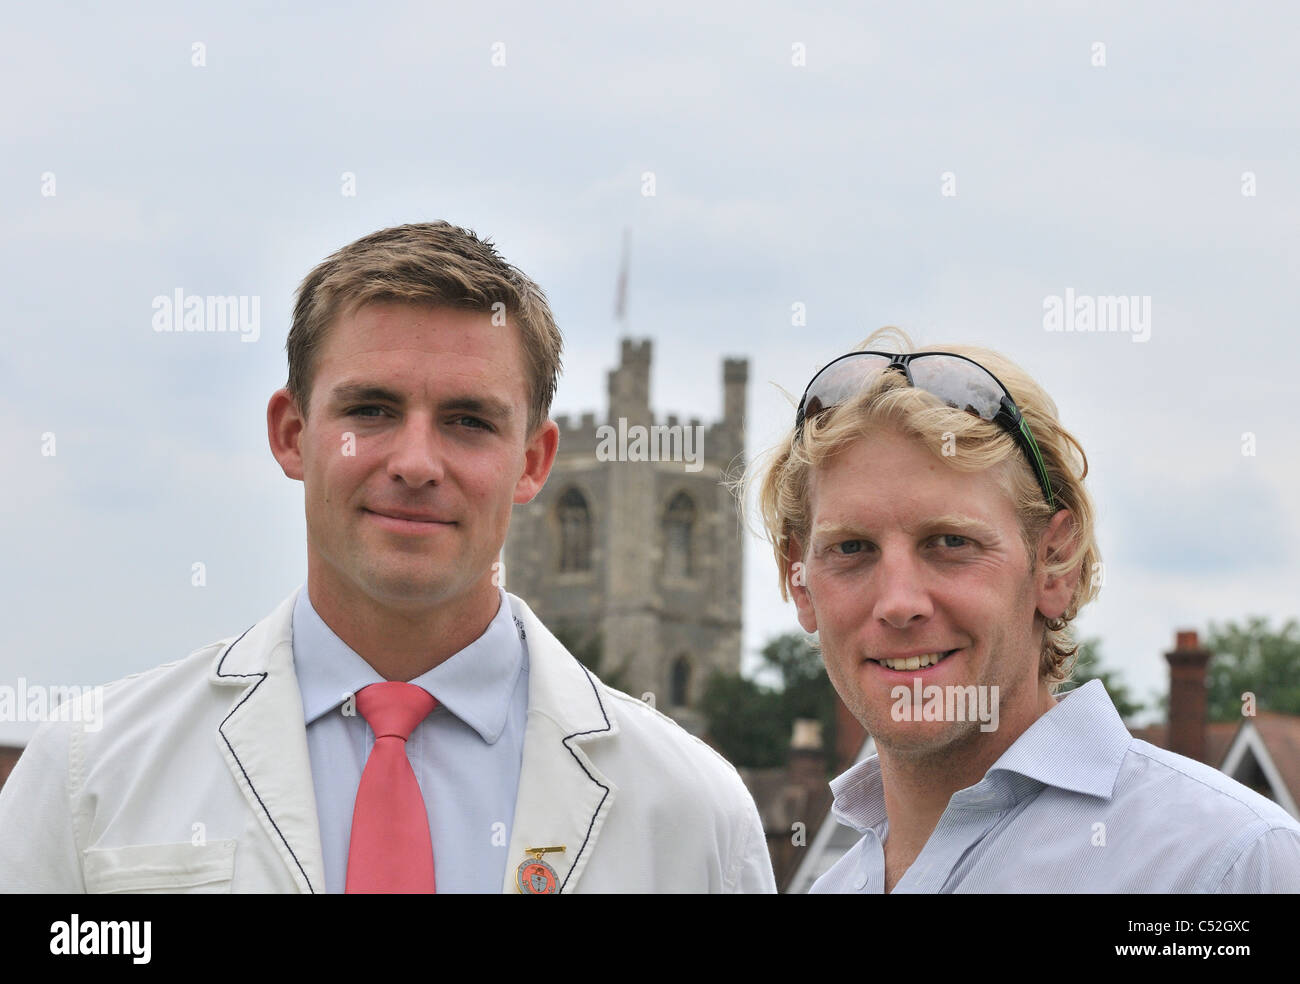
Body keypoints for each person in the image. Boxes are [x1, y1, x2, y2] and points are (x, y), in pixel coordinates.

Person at [0, 222, 775, 894]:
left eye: (468, 420)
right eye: (370, 410)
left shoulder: (693, 813)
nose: (415, 462)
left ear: (535, 462)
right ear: (292, 434)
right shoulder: (89, 772)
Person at [746, 326, 1300, 893]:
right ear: (802, 582)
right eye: (852, 548)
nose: (899, 603)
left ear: (1056, 563)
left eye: (950, 543)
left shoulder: (1227, 866)